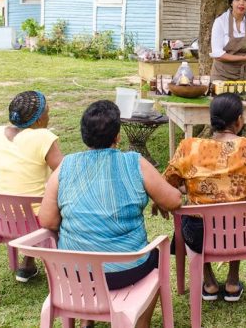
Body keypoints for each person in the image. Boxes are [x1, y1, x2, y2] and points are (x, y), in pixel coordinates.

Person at [39, 100, 182, 328]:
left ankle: (87, 319)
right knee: (156, 255)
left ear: (84, 134)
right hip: (126, 271)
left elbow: (47, 220)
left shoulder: (65, 166)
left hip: (74, 274)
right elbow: (174, 200)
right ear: (117, 136)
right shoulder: (134, 162)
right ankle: (139, 323)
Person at [162, 93, 246, 302]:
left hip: (199, 237)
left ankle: (209, 282)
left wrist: (194, 187)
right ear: (239, 120)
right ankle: (233, 281)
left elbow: (168, 183)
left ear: (211, 120)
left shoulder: (189, 147)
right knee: (238, 218)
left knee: (195, 220)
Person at [0, 90, 63, 282]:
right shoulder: (43, 136)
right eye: (47, 112)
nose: (49, 116)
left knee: (29, 202)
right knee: (59, 208)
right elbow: (65, 173)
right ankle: (66, 266)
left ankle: (27, 263)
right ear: (39, 119)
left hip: (0, 218)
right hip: (35, 221)